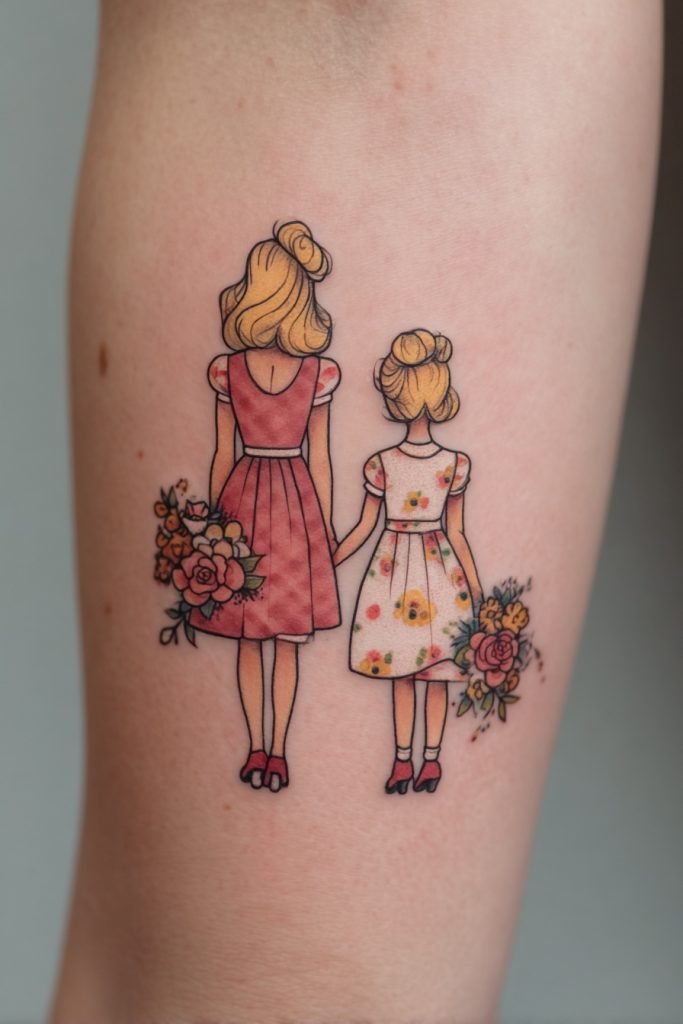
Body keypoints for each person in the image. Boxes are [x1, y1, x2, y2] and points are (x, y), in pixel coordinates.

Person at [52, 2, 661, 1021]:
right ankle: (273, 749)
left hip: (287, 508)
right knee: (266, 983)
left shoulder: (327, 384)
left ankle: (294, 749)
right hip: (273, 506)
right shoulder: (260, 376)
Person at [198, 221, 341, 791]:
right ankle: (274, 750)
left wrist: (213, 528)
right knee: (281, 642)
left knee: (253, 638)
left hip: (246, 500)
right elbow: (320, 460)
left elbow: (222, 455)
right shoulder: (313, 373)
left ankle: (263, 749)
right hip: (295, 504)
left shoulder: (232, 370)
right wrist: (325, 528)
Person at [335, 329, 482, 793]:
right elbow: (367, 527)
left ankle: (420, 760)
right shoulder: (398, 463)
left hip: (408, 569)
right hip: (416, 570)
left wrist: (477, 589)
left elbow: (368, 528)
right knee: (414, 672)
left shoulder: (443, 464)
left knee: (424, 674)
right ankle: (413, 761)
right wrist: (327, 561)